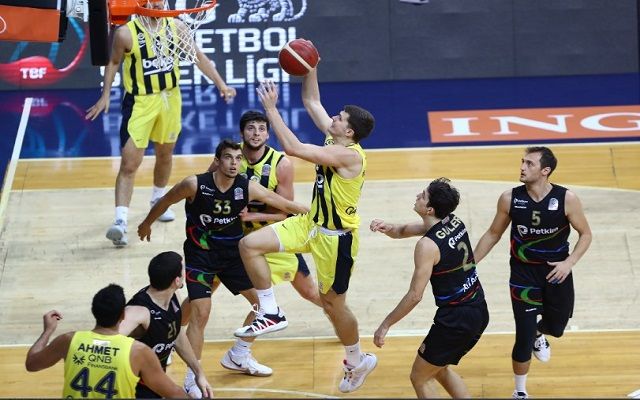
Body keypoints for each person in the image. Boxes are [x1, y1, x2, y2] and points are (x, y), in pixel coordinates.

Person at [235, 66, 377, 393]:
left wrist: (271, 109)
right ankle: (269, 310)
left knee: (332, 305)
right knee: (249, 245)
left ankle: (357, 360)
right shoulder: (335, 138)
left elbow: (294, 148)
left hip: (336, 240)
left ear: (349, 132)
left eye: (339, 118)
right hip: (310, 224)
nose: (333, 118)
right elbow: (312, 101)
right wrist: (311, 67)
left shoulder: (347, 155)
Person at [137, 139, 309, 389]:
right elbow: (165, 201)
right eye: (228, 158)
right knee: (201, 313)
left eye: (238, 159)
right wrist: (146, 223)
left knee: (263, 308)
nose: (234, 163)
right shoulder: (195, 184)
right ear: (217, 161)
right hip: (200, 257)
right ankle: (192, 380)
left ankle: (239, 354)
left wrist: (321, 215)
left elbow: (286, 205)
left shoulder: (246, 187)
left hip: (232, 258)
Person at [85, 0, 237, 247]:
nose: (157, 5)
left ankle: (158, 199)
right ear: (142, 3)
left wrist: (221, 84)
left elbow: (198, 56)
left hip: (170, 99)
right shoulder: (126, 33)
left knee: (165, 155)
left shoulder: (177, 27)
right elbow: (113, 62)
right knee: (129, 163)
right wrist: (105, 95)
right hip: (140, 103)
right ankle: (120, 222)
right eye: (152, 2)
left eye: (161, 1)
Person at [473, 146, 592, 399]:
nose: (522, 167)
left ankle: (540, 333)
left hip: (557, 273)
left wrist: (568, 263)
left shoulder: (566, 199)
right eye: (522, 162)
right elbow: (493, 233)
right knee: (523, 336)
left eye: (529, 164)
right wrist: (469, 264)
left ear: (545, 171)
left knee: (557, 328)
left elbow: (586, 234)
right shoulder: (509, 198)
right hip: (523, 275)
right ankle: (520, 391)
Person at [371, 178, 489, 398]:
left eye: (423, 195)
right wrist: (387, 227)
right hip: (478, 309)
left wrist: (385, 324)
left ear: (429, 209)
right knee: (439, 369)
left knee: (420, 377)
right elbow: (403, 230)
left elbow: (415, 296)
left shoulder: (427, 246)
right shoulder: (453, 221)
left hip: (456, 320)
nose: (418, 196)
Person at [25, 284, 187, 399]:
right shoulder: (137, 351)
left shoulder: (69, 340)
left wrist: (47, 331)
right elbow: (173, 393)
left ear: (94, 311)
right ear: (123, 315)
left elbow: (31, 364)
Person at [118, 251, 214, 398]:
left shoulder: (173, 297)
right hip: (132, 388)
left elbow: (176, 335)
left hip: (154, 383)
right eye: (184, 269)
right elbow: (108, 339)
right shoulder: (139, 311)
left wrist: (198, 372)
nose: (186, 272)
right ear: (177, 281)